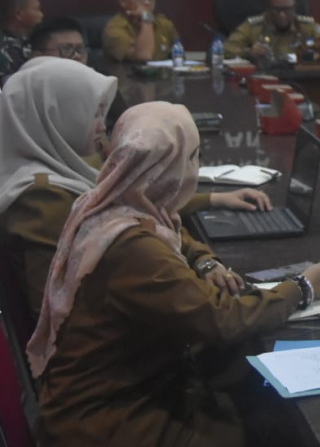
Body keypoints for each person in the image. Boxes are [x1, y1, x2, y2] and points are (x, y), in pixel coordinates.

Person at [27, 102, 320, 447]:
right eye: (193, 157)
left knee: (253, 397)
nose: (196, 167)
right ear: (165, 167)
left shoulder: (111, 207)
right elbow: (220, 319)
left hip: (100, 414)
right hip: (108, 445)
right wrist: (304, 287)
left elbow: (171, 231)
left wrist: (203, 259)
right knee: (281, 437)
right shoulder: (133, 248)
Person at [0, 58, 272, 317]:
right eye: (92, 113)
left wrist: (203, 253)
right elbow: (54, 310)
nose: (100, 127)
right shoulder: (41, 198)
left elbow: (135, 202)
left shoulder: (65, 165)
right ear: (56, 114)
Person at [223, 0, 320, 60]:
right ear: (268, 8)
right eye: (277, 10)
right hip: (266, 76)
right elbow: (227, 49)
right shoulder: (254, 26)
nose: (282, 14)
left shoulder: (306, 26)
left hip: (300, 76)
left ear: (294, 7)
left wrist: (315, 50)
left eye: (287, 9)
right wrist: (249, 52)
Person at [101, 0, 181, 63]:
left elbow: (179, 58)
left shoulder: (164, 24)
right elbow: (143, 56)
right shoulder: (115, 28)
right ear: (123, 1)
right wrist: (146, 18)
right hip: (128, 76)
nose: (147, 2)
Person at [0, 0, 44, 82]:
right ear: (19, 14)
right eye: (37, 9)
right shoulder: (6, 49)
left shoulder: (37, 40)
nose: (42, 14)